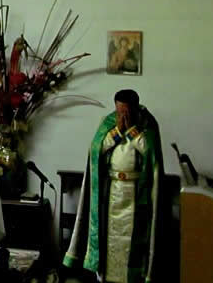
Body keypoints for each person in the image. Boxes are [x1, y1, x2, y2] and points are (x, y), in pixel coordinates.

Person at [64, 90, 163, 283]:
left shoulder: (148, 123)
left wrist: (133, 132)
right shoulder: (108, 122)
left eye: (126, 112)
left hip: (136, 194)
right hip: (110, 195)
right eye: (119, 111)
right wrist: (117, 132)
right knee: (107, 242)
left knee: (133, 243)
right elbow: (96, 149)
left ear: (135, 108)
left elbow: (152, 154)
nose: (122, 116)